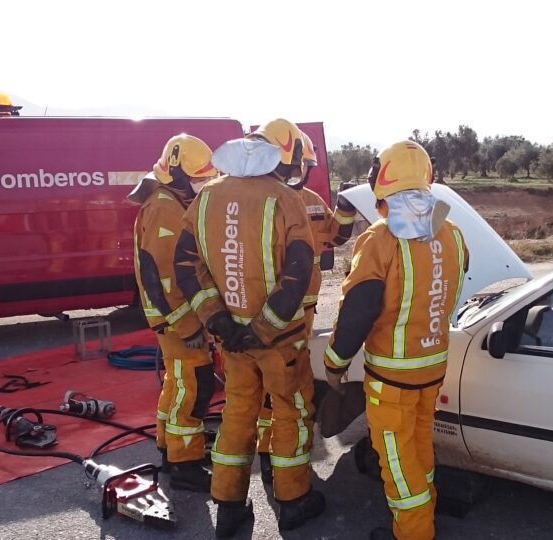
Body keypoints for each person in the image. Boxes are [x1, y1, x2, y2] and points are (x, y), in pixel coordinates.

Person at [173, 118, 325, 537]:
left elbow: (186, 266)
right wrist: (263, 329)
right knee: (291, 412)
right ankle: (293, 500)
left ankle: (229, 507)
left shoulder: (206, 198)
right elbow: (297, 273)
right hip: (279, 342)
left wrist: (218, 320)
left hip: (233, 341)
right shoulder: (286, 199)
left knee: (238, 415)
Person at [322, 140, 469, 540]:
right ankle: (426, 513)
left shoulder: (380, 239)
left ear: (380, 182)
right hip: (432, 369)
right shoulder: (453, 234)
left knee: (397, 463)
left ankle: (414, 533)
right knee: (418, 448)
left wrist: (334, 365)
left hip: (391, 380)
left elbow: (358, 312)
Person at [255, 129, 357, 483]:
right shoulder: (259, 200)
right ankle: (269, 452)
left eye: (306, 166)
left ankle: (289, 446)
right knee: (273, 385)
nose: (301, 171)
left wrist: (345, 208)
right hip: (271, 310)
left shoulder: (312, 200)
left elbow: (337, 235)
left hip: (305, 310)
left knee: (294, 380)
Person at [129, 134, 217, 492]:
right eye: (199, 177)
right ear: (177, 174)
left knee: (177, 383)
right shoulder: (165, 208)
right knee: (195, 386)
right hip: (178, 320)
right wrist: (188, 325)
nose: (203, 183)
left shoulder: (172, 200)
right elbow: (166, 275)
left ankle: (171, 448)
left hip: (173, 320)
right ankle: (185, 464)